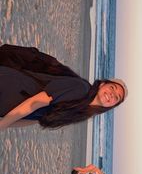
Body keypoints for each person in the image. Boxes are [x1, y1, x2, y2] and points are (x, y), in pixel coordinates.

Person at [0, 44, 128, 130]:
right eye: (112, 88)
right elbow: (37, 102)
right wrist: (3, 124)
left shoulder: (81, 111)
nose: (112, 94)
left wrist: (6, 124)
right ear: (102, 84)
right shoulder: (81, 88)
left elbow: (37, 119)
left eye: (116, 98)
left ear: (110, 106)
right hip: (9, 86)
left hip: (9, 105)